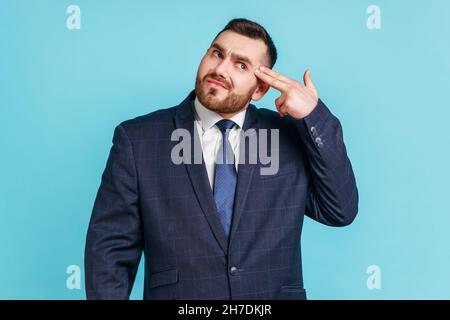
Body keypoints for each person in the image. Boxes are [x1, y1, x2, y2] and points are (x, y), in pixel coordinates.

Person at [85, 18, 358, 300]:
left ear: (260, 89)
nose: (220, 69)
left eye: (241, 65)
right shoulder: (138, 139)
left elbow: (340, 210)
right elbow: (109, 250)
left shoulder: (289, 137)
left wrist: (314, 116)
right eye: (217, 53)